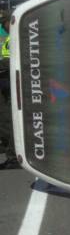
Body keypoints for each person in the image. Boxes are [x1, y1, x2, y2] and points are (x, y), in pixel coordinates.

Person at [0, 12, 16, 168]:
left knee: (7, 119)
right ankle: (7, 147)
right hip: (4, 78)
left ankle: (12, 155)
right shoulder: (7, 35)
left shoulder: (17, 34)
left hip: (10, 78)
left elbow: (14, 59)